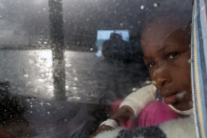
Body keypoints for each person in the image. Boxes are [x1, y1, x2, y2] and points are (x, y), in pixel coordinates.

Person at [89, 17, 195, 138]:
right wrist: (108, 125)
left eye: (173, 55)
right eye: (151, 64)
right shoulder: (155, 93)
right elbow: (134, 102)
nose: (158, 78)